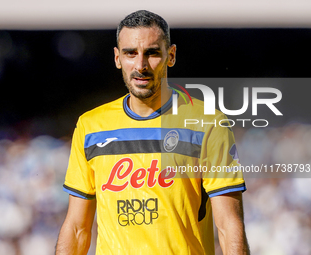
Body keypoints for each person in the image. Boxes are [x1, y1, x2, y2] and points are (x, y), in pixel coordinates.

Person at [56, 10, 250, 255]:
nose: (140, 65)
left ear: (171, 55)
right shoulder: (90, 126)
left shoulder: (209, 123)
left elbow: (228, 224)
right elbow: (76, 228)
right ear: (117, 58)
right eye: (130, 53)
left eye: (152, 53)